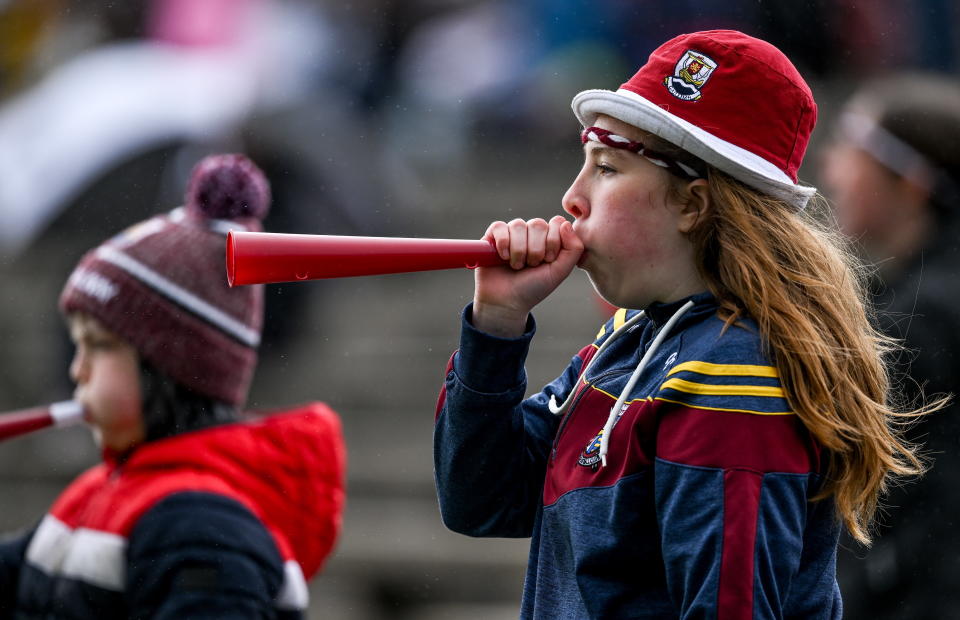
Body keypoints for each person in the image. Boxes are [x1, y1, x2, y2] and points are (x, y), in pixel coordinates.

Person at [432, 30, 937, 618]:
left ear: (693, 205)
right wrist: (497, 324)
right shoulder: (631, 336)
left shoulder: (729, 377)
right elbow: (482, 500)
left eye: (607, 168)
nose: (572, 198)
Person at [0, 154, 347, 618]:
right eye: (78, 346)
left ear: (171, 365)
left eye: (99, 346)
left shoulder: (203, 529)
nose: (76, 370)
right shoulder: (98, 493)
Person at [821, 74, 960, 619]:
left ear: (913, 183)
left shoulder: (929, 317)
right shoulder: (912, 296)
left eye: (850, 150)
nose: (831, 169)